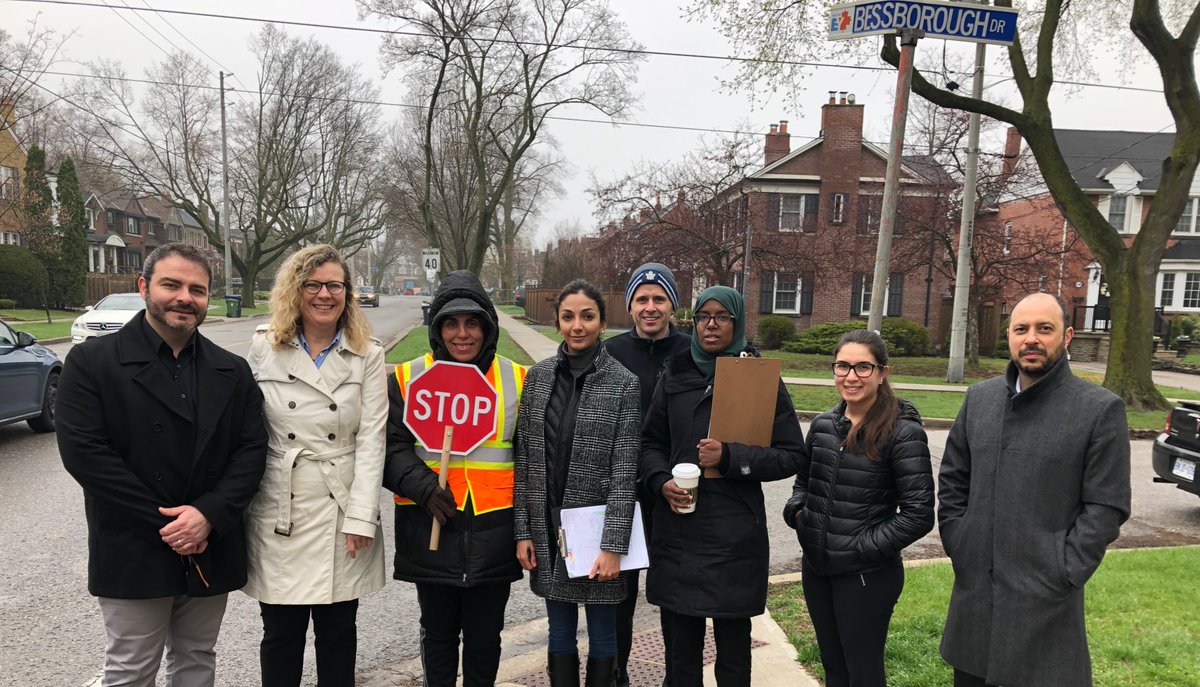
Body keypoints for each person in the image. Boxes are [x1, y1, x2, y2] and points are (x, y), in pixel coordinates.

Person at [57, 243, 268, 687]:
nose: (184, 298)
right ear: (144, 287)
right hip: (133, 540)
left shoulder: (232, 370)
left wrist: (207, 516)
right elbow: (85, 455)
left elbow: (251, 451)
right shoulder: (92, 362)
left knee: (196, 659)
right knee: (131, 668)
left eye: (197, 289)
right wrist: (170, 525)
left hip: (210, 541)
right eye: (171, 284)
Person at [939, 293, 1131, 687]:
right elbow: (954, 479)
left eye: (1045, 329)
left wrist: (1064, 568)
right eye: (1021, 329)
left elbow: (1106, 506)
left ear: (1067, 336)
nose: (1031, 339)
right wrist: (962, 540)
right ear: (1009, 335)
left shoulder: (1099, 410)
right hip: (976, 598)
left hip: (1046, 605)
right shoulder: (979, 399)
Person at [639, 286, 806, 687]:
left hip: (734, 536)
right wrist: (661, 481)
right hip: (679, 530)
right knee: (681, 652)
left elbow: (791, 454)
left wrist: (731, 457)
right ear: (693, 321)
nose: (711, 325)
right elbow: (650, 443)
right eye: (703, 316)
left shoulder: (758, 376)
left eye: (722, 317)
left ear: (737, 322)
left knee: (732, 654)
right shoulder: (676, 371)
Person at [243, 244, 387, 686]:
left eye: (335, 286)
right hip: (280, 506)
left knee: (338, 630)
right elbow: (247, 432)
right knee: (281, 633)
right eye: (314, 285)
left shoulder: (368, 353)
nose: (325, 295)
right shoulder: (263, 346)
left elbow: (372, 439)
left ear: (348, 292)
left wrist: (362, 516)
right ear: (296, 290)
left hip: (341, 508)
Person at [385, 270, 526, 687]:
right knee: (438, 636)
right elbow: (389, 449)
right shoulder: (408, 378)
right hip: (431, 527)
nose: (462, 334)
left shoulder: (517, 379)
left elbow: (532, 460)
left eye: (472, 323)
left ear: (487, 326)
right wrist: (423, 486)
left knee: (485, 641)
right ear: (437, 328)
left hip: (493, 534)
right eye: (451, 323)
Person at [782, 329, 934, 687]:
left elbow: (919, 514)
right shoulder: (821, 426)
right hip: (818, 570)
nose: (851, 377)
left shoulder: (903, 433)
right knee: (834, 670)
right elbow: (803, 483)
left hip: (866, 576)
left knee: (862, 674)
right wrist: (798, 514)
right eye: (843, 366)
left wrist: (859, 547)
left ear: (883, 372)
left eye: (863, 367)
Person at [514, 279, 642, 687]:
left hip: (595, 535)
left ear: (603, 322)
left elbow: (625, 471)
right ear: (557, 323)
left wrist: (612, 545)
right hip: (549, 530)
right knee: (559, 632)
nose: (577, 326)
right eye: (568, 317)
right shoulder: (537, 379)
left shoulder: (624, 383)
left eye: (587, 316)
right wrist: (523, 531)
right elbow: (526, 461)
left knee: (604, 635)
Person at [603, 261, 690, 687]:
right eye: (642, 299)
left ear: (673, 305)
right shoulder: (610, 354)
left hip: (678, 493)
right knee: (618, 596)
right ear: (631, 305)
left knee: (675, 598)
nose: (650, 307)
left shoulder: (693, 354)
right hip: (623, 493)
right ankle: (617, 676)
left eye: (659, 299)